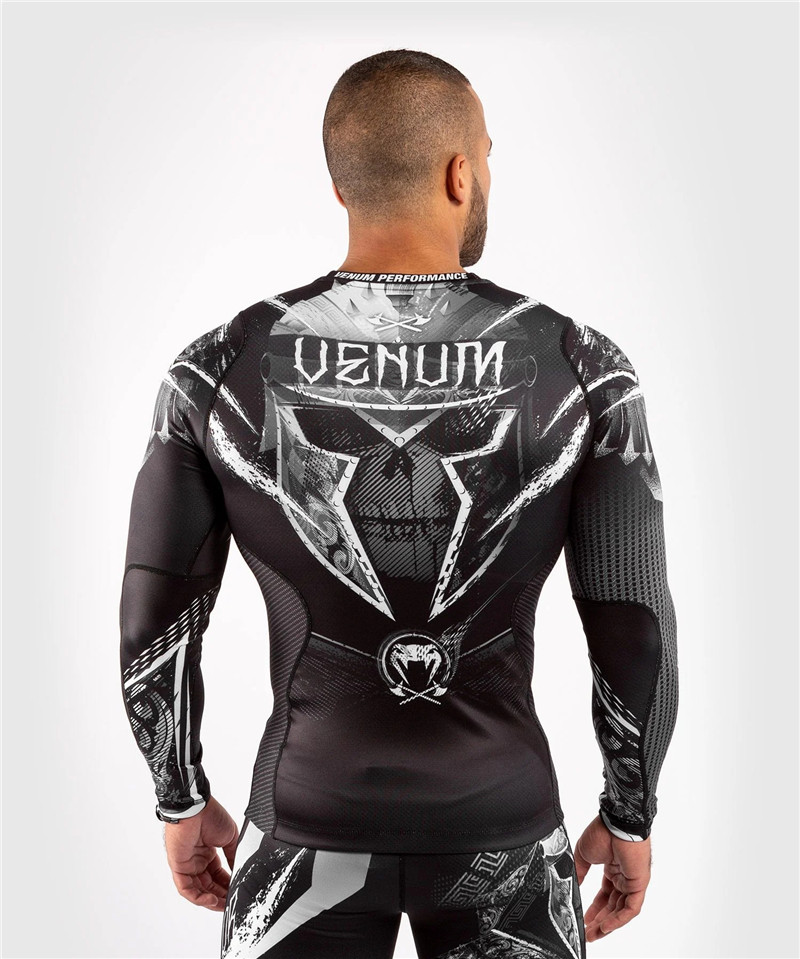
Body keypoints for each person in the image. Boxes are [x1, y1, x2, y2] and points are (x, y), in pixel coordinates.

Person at [119, 48, 679, 959]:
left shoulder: (215, 370)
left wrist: (179, 798)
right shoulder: (583, 369)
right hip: (505, 834)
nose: (487, 172)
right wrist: (629, 812)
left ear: (342, 185)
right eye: (487, 155)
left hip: (301, 830)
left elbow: (153, 617)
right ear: (461, 174)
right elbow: (635, 622)